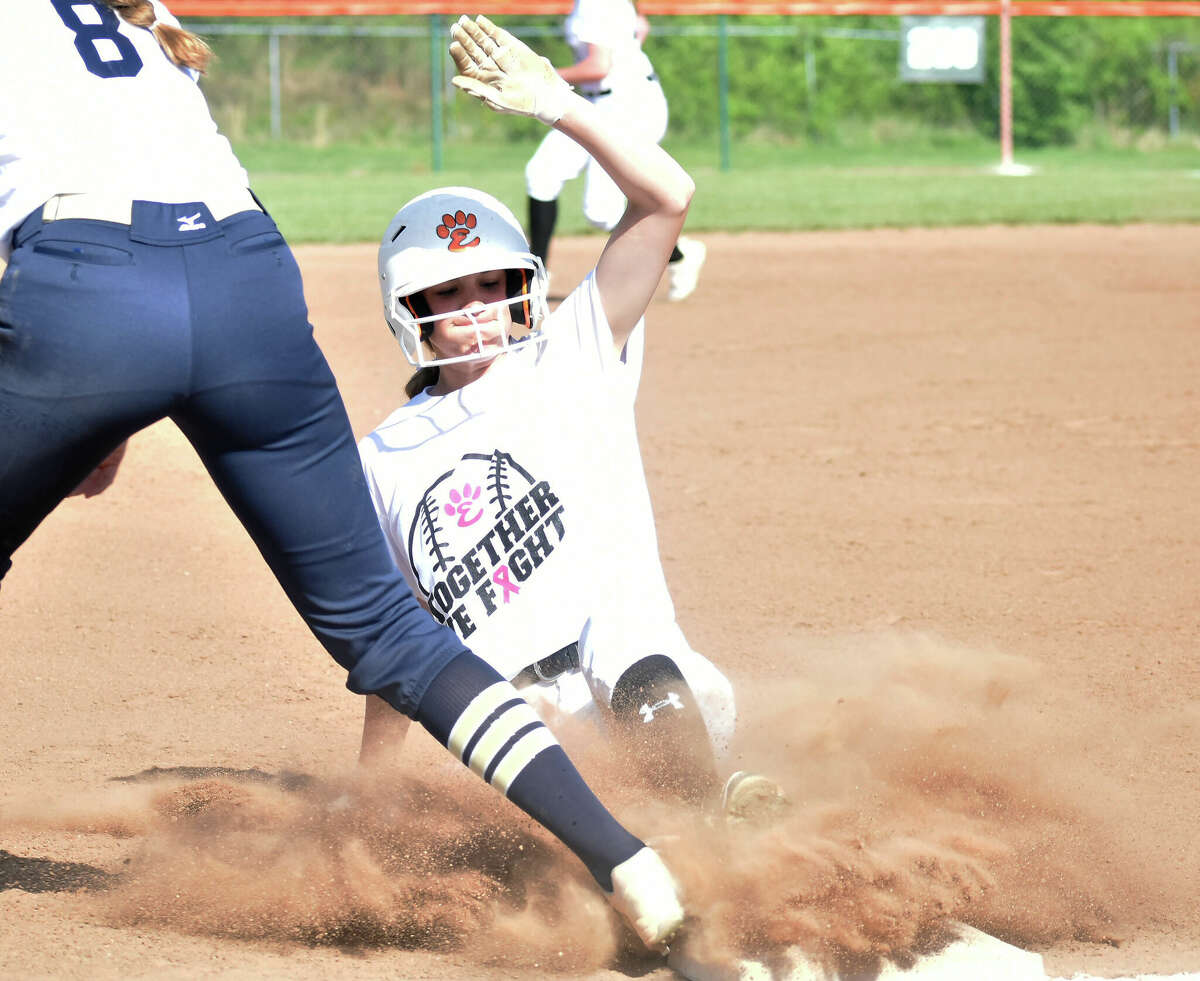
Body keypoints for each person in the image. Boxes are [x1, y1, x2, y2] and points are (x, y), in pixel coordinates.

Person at [0, 2, 685, 952]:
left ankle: (674, 818)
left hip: (86, 287)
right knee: (389, 629)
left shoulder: (16, 21)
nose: (477, 310)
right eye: (453, 297)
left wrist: (72, 385)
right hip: (249, 278)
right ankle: (631, 863)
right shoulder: (144, 26)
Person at [357, 15, 787, 823]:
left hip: (656, 691)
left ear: (523, 283)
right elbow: (395, 634)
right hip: (521, 749)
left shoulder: (572, 353)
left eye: (490, 284)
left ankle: (711, 812)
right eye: (447, 295)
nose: (475, 309)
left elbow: (668, 200)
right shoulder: (380, 460)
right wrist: (371, 790)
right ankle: (687, 827)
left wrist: (561, 104)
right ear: (408, 310)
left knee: (616, 627)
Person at [523, 0, 706, 302]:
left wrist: (544, 77)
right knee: (542, 173)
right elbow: (640, 28)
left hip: (628, 106)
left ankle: (681, 253)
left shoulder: (594, 5)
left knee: (601, 211)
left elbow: (598, 67)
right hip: (603, 102)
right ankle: (534, 280)